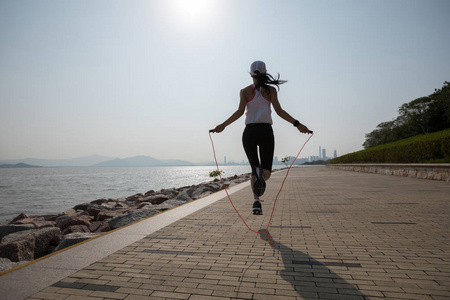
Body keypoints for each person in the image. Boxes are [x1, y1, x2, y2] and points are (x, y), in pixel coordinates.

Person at [210, 61, 312, 215]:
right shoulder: (270, 90)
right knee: (266, 172)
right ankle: (260, 179)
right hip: (265, 131)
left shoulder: (244, 91)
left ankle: (256, 202)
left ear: (251, 74)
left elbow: (239, 113)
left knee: (254, 170)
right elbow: (279, 111)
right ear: (265, 72)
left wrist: (222, 125)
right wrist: (298, 125)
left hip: (249, 132)